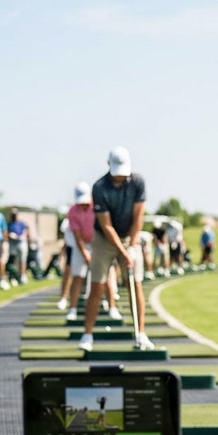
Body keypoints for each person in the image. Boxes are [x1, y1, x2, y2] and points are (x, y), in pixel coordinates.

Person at [79, 147, 151, 352]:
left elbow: (138, 217)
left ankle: (141, 334)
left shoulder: (137, 182)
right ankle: (87, 335)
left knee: (135, 285)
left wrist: (133, 243)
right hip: (103, 239)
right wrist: (122, 251)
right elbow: (106, 225)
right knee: (97, 286)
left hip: (129, 236)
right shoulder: (99, 187)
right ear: (108, 165)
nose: (119, 177)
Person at [63, 181, 117, 320]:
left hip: (99, 243)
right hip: (81, 244)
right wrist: (85, 253)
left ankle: (112, 307)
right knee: (78, 276)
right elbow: (77, 235)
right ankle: (72, 309)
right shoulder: (73, 211)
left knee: (105, 276)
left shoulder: (98, 206)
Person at [7, 209, 32, 284]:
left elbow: (26, 231)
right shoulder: (9, 224)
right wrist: (11, 235)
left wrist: (23, 236)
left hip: (21, 242)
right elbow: (6, 233)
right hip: (13, 243)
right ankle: (15, 275)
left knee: (22, 260)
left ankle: (23, 275)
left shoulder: (21, 223)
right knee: (14, 260)